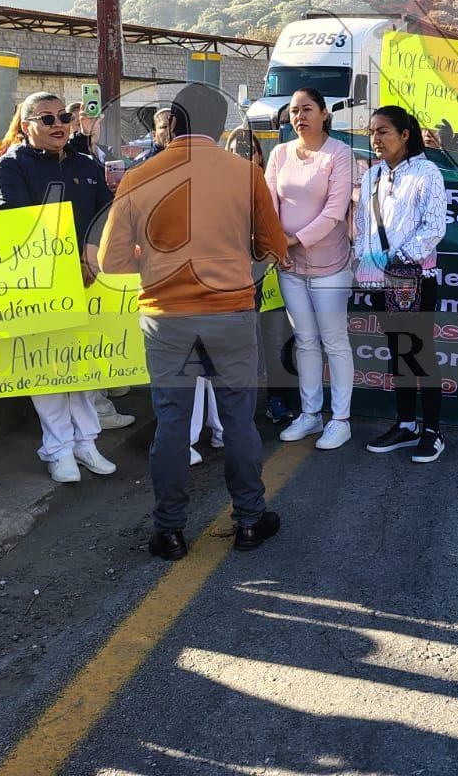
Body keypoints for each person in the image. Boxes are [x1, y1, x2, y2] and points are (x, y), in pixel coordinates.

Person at [98, 82, 287, 561]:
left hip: (166, 317)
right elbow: (273, 246)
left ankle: (169, 531)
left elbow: (111, 261)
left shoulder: (139, 177)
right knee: (238, 420)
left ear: (173, 123)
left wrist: (153, 261)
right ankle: (250, 519)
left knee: (172, 423)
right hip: (231, 312)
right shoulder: (246, 173)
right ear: (219, 126)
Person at [0, 92, 122, 480]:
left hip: (87, 279)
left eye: (63, 116)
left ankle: (86, 442)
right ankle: (58, 448)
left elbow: (105, 214)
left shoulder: (85, 163)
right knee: (45, 368)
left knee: (81, 365)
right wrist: (70, 262)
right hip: (39, 283)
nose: (58, 124)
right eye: (46, 119)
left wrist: (89, 256)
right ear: (26, 124)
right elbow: (20, 224)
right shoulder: (10, 166)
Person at [264, 88, 358, 451]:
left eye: (306, 109)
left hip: (330, 265)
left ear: (323, 114)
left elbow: (335, 212)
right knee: (304, 340)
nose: (299, 117)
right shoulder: (279, 153)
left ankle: (341, 419)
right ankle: (310, 414)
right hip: (289, 266)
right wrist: (277, 244)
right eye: (293, 111)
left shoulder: (340, 153)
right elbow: (268, 203)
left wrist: (291, 241)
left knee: (334, 340)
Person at [356, 106, 449, 464]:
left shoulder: (427, 172)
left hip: (415, 279)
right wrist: (366, 261)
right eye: (372, 132)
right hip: (380, 279)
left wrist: (400, 259)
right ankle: (406, 423)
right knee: (397, 351)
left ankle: (433, 430)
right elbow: (363, 225)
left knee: (419, 352)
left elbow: (434, 227)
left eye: (383, 132)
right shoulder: (372, 175)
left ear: (405, 135)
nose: (375, 139)